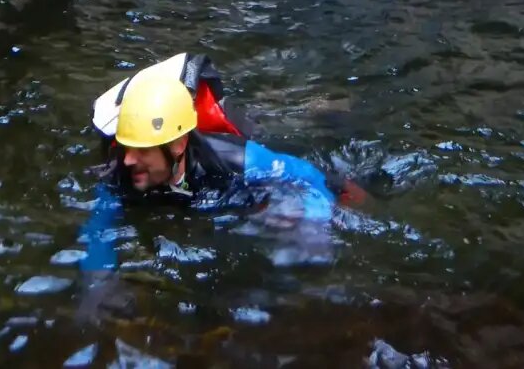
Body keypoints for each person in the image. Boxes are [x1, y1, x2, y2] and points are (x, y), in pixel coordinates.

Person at [79, 53, 353, 272]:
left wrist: (313, 228)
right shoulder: (121, 170)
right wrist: (98, 285)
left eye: (141, 150)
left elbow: (312, 177)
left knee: (287, 141)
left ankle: (319, 108)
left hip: (249, 142)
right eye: (127, 148)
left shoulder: (237, 159)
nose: (128, 159)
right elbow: (98, 228)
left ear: (177, 145)